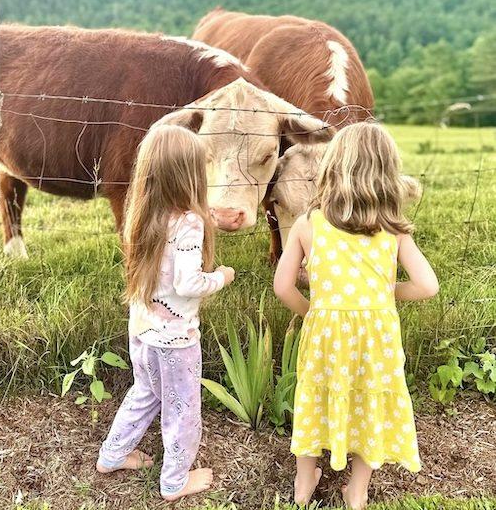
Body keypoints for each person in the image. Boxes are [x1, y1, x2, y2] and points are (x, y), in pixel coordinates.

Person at [273, 122, 439, 509]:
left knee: (314, 395)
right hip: (376, 333)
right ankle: (357, 491)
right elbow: (427, 285)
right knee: (372, 400)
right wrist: (385, 294)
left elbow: (283, 287)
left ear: (332, 166)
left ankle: (304, 482)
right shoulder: (392, 229)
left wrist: (313, 311)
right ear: (386, 173)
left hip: (326, 330)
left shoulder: (308, 224)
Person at [96, 124, 235, 501]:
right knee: (182, 408)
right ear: (189, 176)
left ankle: (113, 454)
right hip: (176, 342)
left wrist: (212, 217)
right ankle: (175, 480)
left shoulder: (142, 213)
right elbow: (189, 284)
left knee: (145, 393)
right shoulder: (189, 224)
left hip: (142, 330)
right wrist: (221, 277)